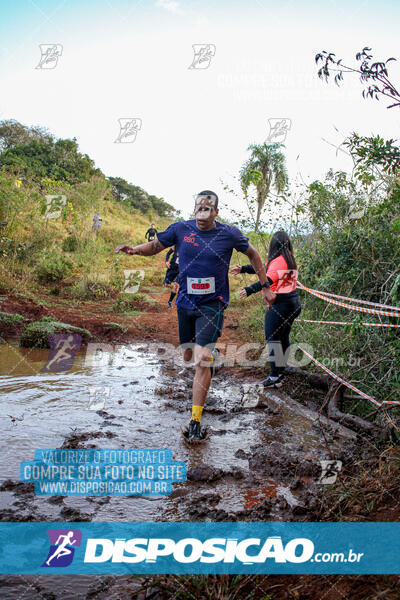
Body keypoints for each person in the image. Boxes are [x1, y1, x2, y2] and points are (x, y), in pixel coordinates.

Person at [115, 190, 275, 440]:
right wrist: (135, 250)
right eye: (199, 207)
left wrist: (265, 287)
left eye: (208, 208)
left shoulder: (228, 234)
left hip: (213, 304)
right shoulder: (180, 229)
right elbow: (156, 245)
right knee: (188, 355)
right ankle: (210, 356)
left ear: (216, 212)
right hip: (185, 303)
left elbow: (253, 254)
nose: (203, 212)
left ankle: (195, 420)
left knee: (201, 359)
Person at [230, 230, 301, 388]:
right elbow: (262, 268)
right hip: (293, 302)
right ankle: (281, 371)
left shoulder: (279, 261)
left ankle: (275, 376)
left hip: (281, 304)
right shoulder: (287, 258)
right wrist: (243, 269)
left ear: (273, 244)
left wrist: (249, 289)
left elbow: (266, 279)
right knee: (282, 337)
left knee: (273, 338)